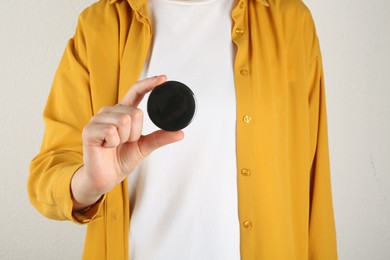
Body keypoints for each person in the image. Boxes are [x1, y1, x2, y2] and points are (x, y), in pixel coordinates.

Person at [28, 0, 338, 259]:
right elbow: (47, 179)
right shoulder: (101, 24)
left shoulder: (289, 21)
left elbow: (313, 182)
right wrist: (90, 182)